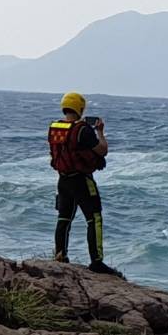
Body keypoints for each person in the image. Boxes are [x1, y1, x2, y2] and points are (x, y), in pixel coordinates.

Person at [49, 91, 121, 276]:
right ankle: (97, 262)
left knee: (64, 218)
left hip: (63, 180)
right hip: (81, 180)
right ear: (80, 108)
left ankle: (60, 256)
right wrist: (100, 132)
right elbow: (102, 151)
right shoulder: (83, 130)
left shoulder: (54, 126)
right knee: (94, 218)